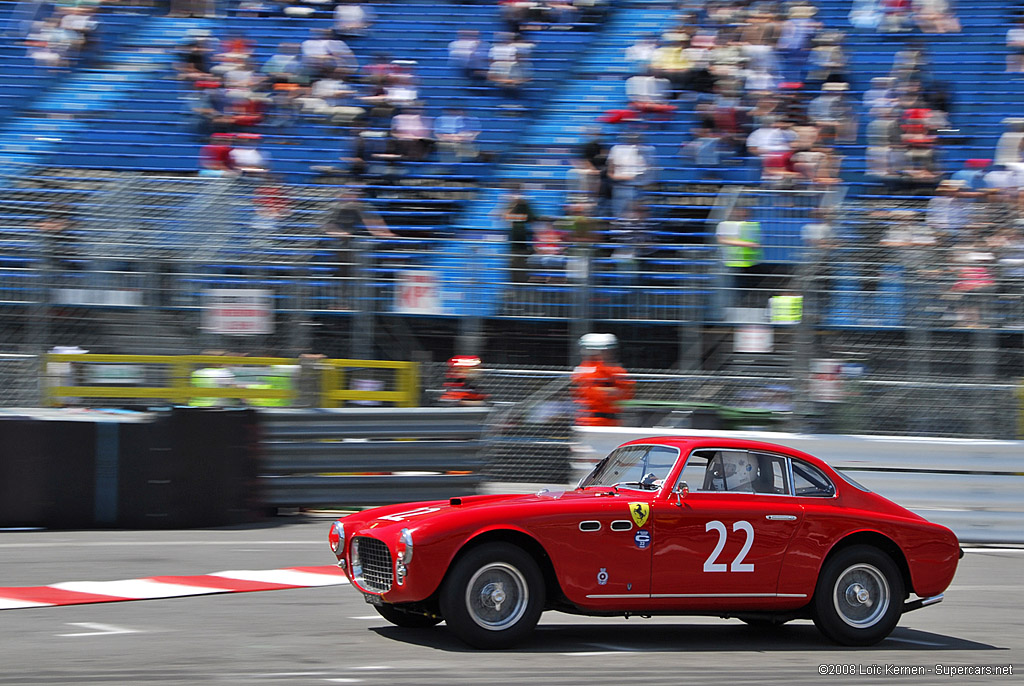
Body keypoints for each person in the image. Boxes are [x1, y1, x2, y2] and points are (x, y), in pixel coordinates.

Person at [570, 333, 634, 426]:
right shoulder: (586, 370)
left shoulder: (613, 370)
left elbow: (627, 392)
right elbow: (591, 394)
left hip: (609, 420)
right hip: (591, 419)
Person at [716, 206, 764, 310]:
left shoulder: (749, 224)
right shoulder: (724, 225)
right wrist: (746, 244)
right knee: (737, 286)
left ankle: (749, 305)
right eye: (741, 210)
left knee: (750, 285)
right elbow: (722, 240)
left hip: (750, 261)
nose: (744, 213)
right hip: (733, 261)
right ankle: (738, 306)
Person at [502, 184, 536, 284]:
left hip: (523, 242)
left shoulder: (525, 205)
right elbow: (504, 217)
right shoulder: (509, 205)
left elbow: (532, 218)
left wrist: (515, 217)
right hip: (513, 243)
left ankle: (521, 286)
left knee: (521, 265)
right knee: (513, 266)